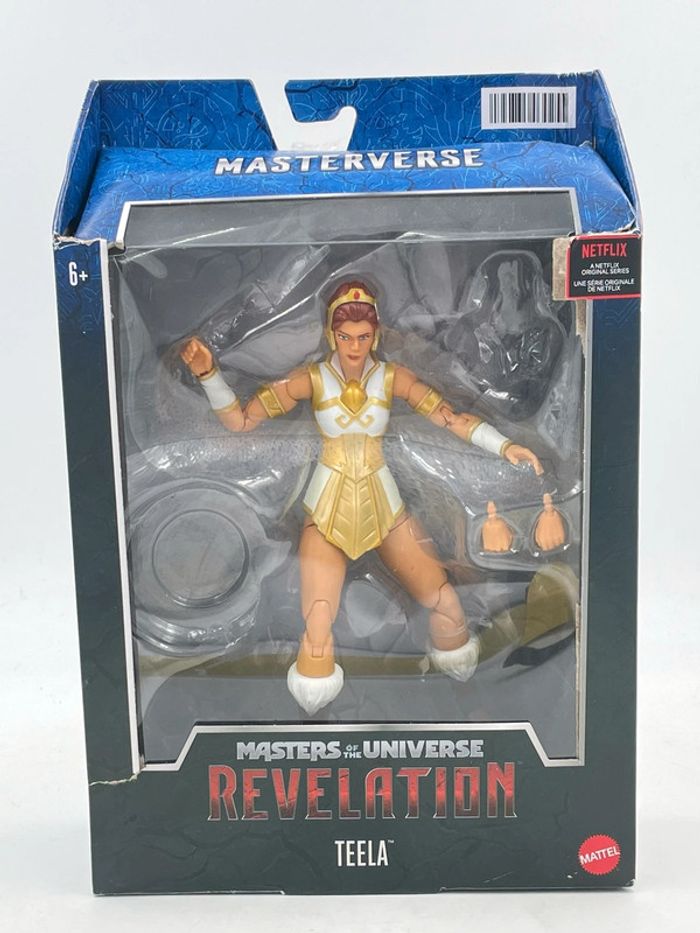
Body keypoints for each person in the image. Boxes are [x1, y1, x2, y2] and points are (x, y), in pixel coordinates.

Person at [180, 280, 560, 714]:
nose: (354, 347)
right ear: (331, 335)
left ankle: (469, 701)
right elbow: (240, 421)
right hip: (326, 513)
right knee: (316, 633)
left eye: (362, 337)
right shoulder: (310, 380)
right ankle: (308, 725)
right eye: (346, 337)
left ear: (375, 335)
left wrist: (504, 445)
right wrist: (209, 375)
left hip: (386, 509)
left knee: (448, 608)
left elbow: (450, 418)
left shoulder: (393, 378)